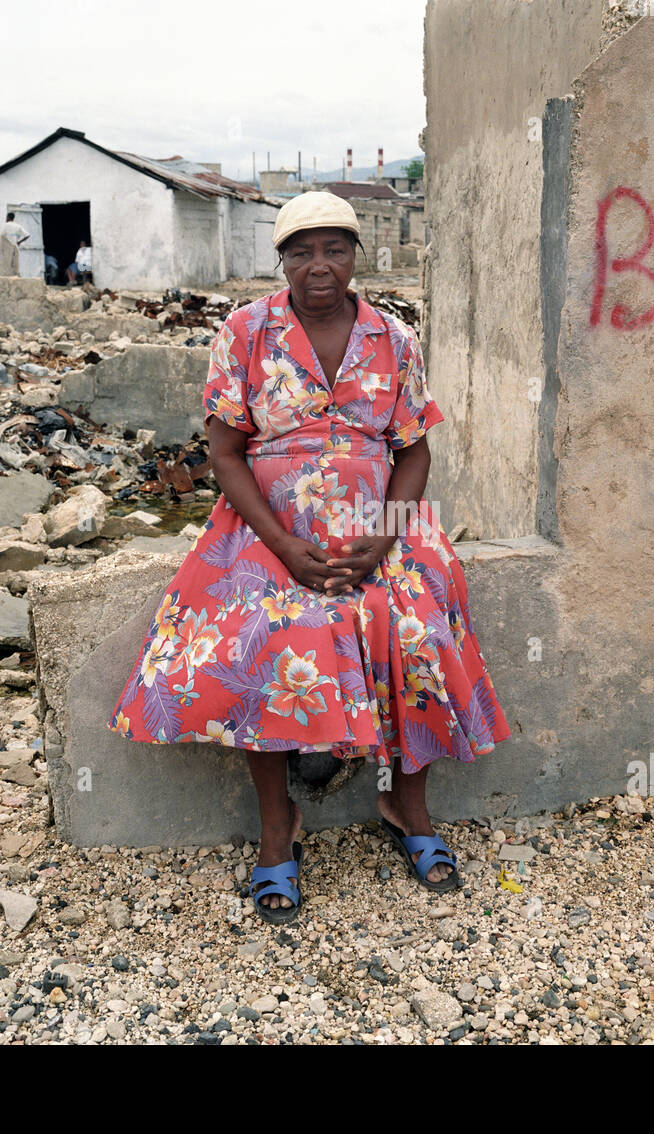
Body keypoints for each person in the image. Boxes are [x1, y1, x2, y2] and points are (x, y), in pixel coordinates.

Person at [106, 191, 511, 924]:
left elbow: (413, 449)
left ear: (356, 255)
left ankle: (405, 806)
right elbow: (225, 455)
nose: (318, 265)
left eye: (334, 248)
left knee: (414, 622)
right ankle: (276, 828)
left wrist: (387, 536)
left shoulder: (394, 337)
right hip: (268, 524)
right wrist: (285, 546)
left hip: (378, 524)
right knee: (268, 631)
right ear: (282, 260)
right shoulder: (245, 332)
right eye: (301, 250)